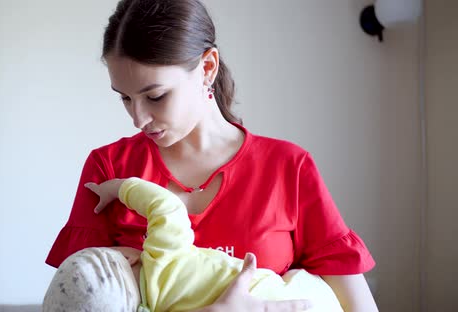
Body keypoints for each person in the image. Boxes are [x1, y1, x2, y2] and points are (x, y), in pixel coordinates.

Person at [44, 0, 378, 311]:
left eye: (155, 96)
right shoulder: (108, 170)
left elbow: (358, 304)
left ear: (207, 67)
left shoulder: (288, 167)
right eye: (125, 99)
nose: (138, 118)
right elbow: (75, 301)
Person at [84, 177, 344, 312]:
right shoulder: (163, 257)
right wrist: (120, 188)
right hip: (302, 301)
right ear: (127, 259)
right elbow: (165, 206)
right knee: (296, 278)